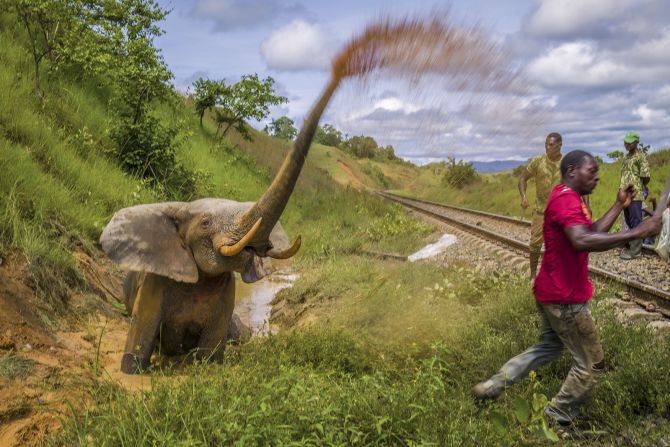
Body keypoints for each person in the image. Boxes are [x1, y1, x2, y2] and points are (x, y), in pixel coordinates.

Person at [473, 150, 662, 430]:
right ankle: (555, 419)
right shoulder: (565, 200)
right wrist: (638, 232)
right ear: (572, 171)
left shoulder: (570, 198)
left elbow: (591, 230)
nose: (597, 176)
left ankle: (492, 386)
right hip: (565, 299)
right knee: (591, 365)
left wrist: (618, 205)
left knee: (547, 347)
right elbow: (582, 240)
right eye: (592, 171)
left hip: (551, 291)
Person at [518, 133, 563, 279]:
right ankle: (532, 275)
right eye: (545, 144)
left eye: (550, 145)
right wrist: (524, 196)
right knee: (535, 243)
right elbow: (523, 178)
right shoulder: (538, 161)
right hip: (540, 210)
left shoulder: (567, 162)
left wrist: (585, 205)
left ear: (559, 145)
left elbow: (579, 183)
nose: (546, 147)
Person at [619, 131, 651, 259]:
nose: (626, 144)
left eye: (630, 142)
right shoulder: (626, 157)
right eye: (625, 141)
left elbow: (646, 176)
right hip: (625, 195)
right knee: (628, 220)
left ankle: (636, 251)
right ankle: (632, 246)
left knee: (636, 221)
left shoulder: (640, 157)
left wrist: (641, 187)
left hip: (635, 195)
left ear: (637, 142)